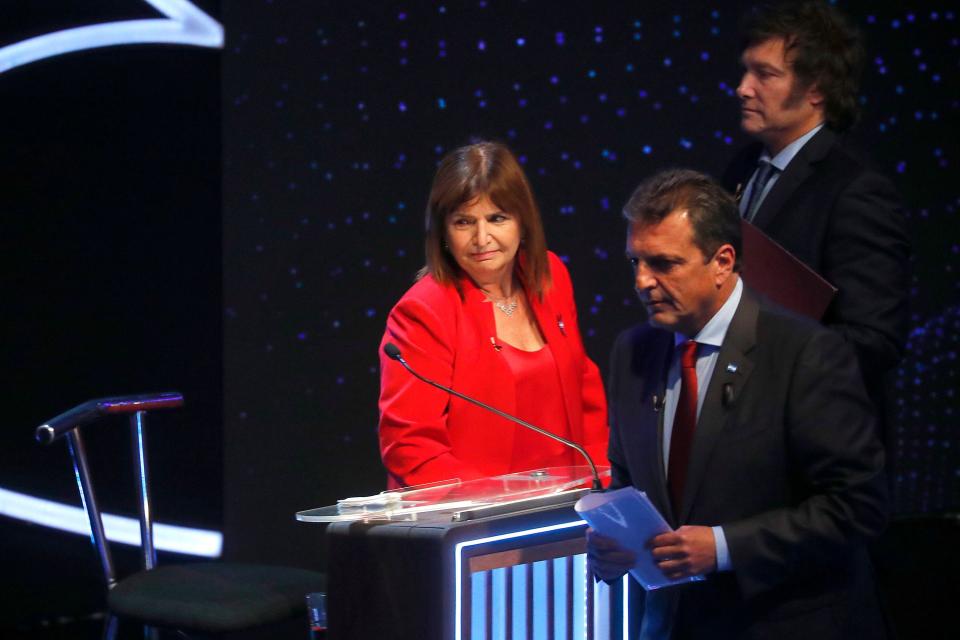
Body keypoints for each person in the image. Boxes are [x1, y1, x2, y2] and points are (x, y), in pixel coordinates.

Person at [587, 169, 888, 638]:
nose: (642, 282)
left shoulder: (804, 353)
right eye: (635, 262)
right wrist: (613, 548)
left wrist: (725, 548)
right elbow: (628, 483)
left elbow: (858, 505)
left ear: (723, 262)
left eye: (664, 264)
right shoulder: (633, 353)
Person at [378, 141, 608, 488]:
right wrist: (492, 505)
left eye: (497, 218)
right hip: (481, 519)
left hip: (571, 506)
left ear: (522, 221)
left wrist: (603, 481)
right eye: (464, 222)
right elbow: (410, 446)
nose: (482, 238)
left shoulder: (550, 275)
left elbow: (584, 390)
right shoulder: (423, 311)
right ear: (443, 233)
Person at [721, 0, 910, 423]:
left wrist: (769, 358)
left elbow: (873, 341)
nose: (743, 87)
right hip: (740, 430)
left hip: (812, 438)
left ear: (817, 89)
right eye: (746, 70)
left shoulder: (856, 189)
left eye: (765, 74)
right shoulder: (740, 168)